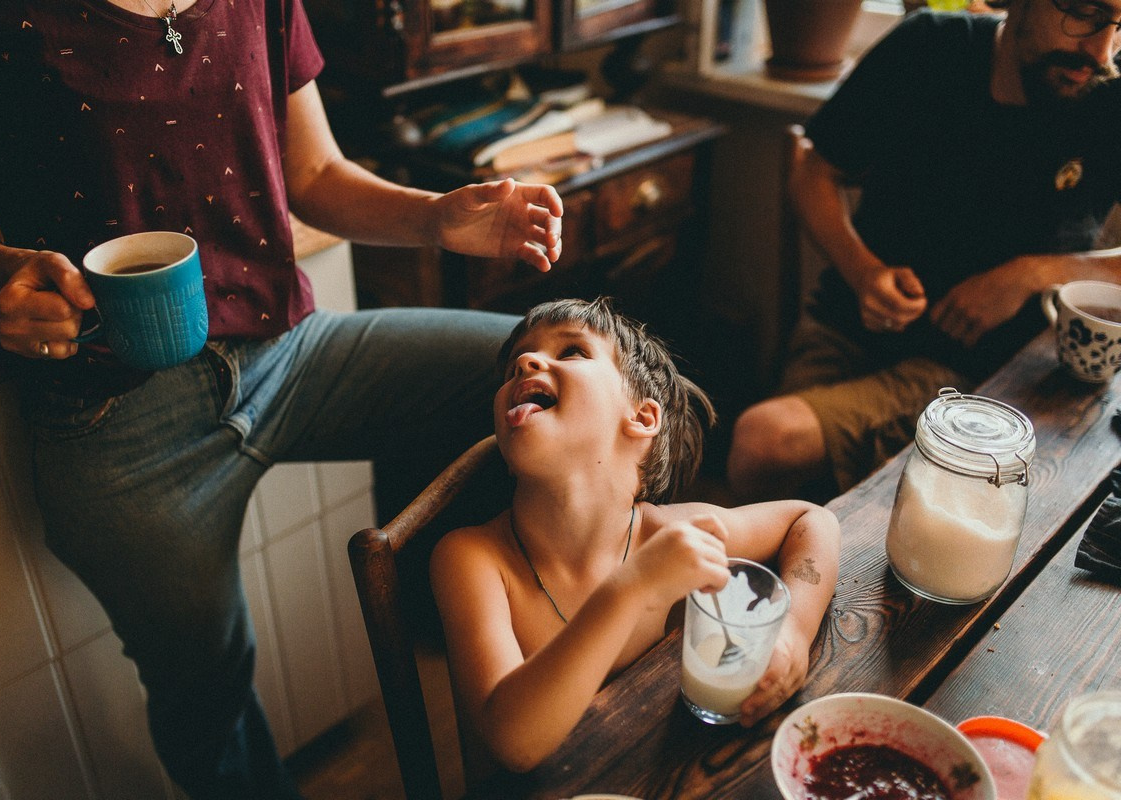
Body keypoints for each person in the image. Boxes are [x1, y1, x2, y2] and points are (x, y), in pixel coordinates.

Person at [0, 3, 563, 798]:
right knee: (208, 699)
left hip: (287, 352)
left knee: (547, 382)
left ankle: (547, 702)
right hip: (119, 426)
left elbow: (315, 174)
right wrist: (6, 276)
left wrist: (435, 217)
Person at [726, 0, 1121, 503]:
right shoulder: (928, 47)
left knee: (767, 442)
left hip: (966, 376)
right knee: (772, 472)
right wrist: (864, 273)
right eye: (1084, 13)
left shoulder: (1110, 99)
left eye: (1120, 25)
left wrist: (1028, 274)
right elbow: (814, 170)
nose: (1103, 49)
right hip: (845, 329)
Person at [429, 297, 839, 772]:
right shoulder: (472, 559)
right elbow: (511, 743)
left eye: (572, 352)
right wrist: (632, 588)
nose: (526, 361)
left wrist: (793, 633)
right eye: (517, 362)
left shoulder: (664, 534)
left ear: (642, 418)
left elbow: (811, 521)